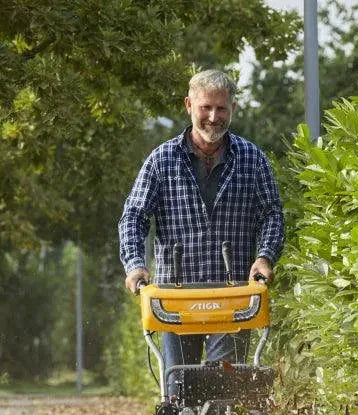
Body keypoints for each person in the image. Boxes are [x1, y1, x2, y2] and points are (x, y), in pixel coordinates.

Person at [118, 69, 285, 394]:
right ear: (189, 105)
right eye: (206, 108)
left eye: (221, 109)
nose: (213, 117)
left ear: (232, 109)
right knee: (179, 389)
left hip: (233, 293)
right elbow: (134, 216)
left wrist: (264, 257)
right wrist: (135, 264)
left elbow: (271, 215)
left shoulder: (252, 160)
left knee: (225, 388)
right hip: (175, 297)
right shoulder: (162, 161)